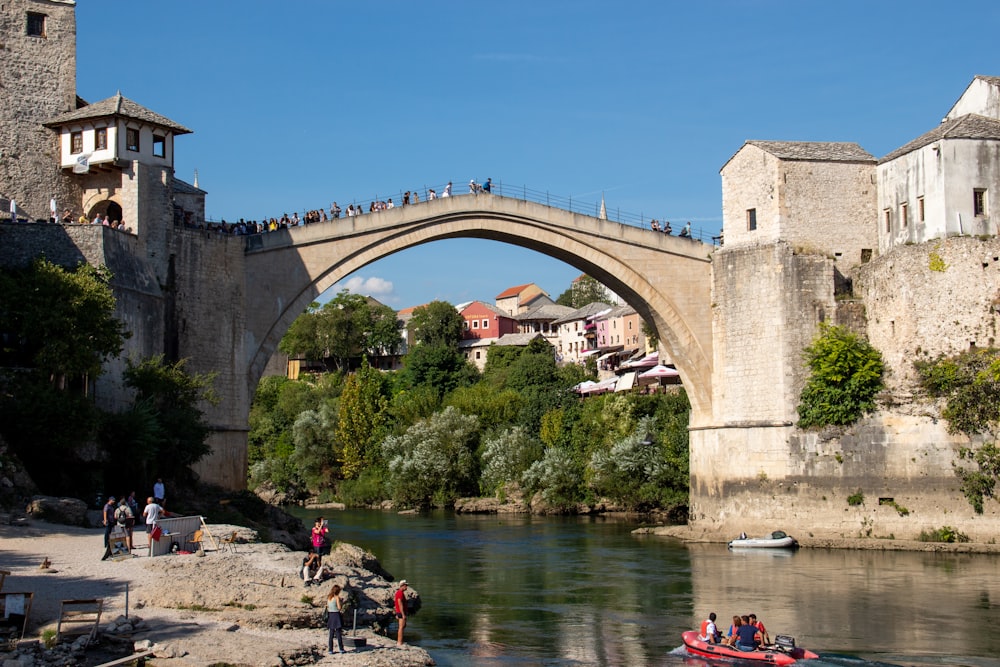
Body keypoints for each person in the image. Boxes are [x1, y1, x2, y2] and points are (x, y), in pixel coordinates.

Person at [327, 584, 345, 654]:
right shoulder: (337, 597)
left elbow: (327, 606)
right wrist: (341, 602)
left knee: (331, 634)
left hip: (330, 615)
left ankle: (330, 649)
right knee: (338, 633)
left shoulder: (329, 597)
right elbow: (339, 608)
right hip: (336, 615)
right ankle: (341, 649)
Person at [394, 579, 409, 646]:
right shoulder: (400, 593)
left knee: (403, 626)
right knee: (401, 627)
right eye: (406, 585)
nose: (407, 587)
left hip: (399, 611)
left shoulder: (399, 593)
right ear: (402, 586)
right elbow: (400, 603)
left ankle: (400, 641)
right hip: (401, 612)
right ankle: (399, 642)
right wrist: (403, 614)